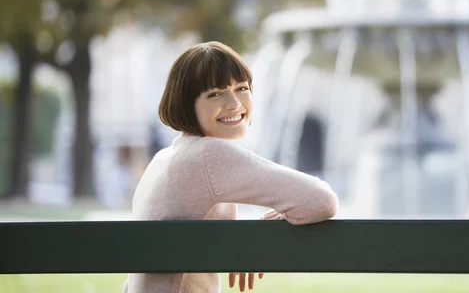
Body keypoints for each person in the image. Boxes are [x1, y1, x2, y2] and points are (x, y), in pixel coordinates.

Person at [123, 41, 338, 293]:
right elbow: (322, 200)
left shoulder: (165, 157)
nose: (235, 103)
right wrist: (263, 231)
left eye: (242, 88)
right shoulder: (209, 155)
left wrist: (242, 240)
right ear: (186, 104)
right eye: (215, 94)